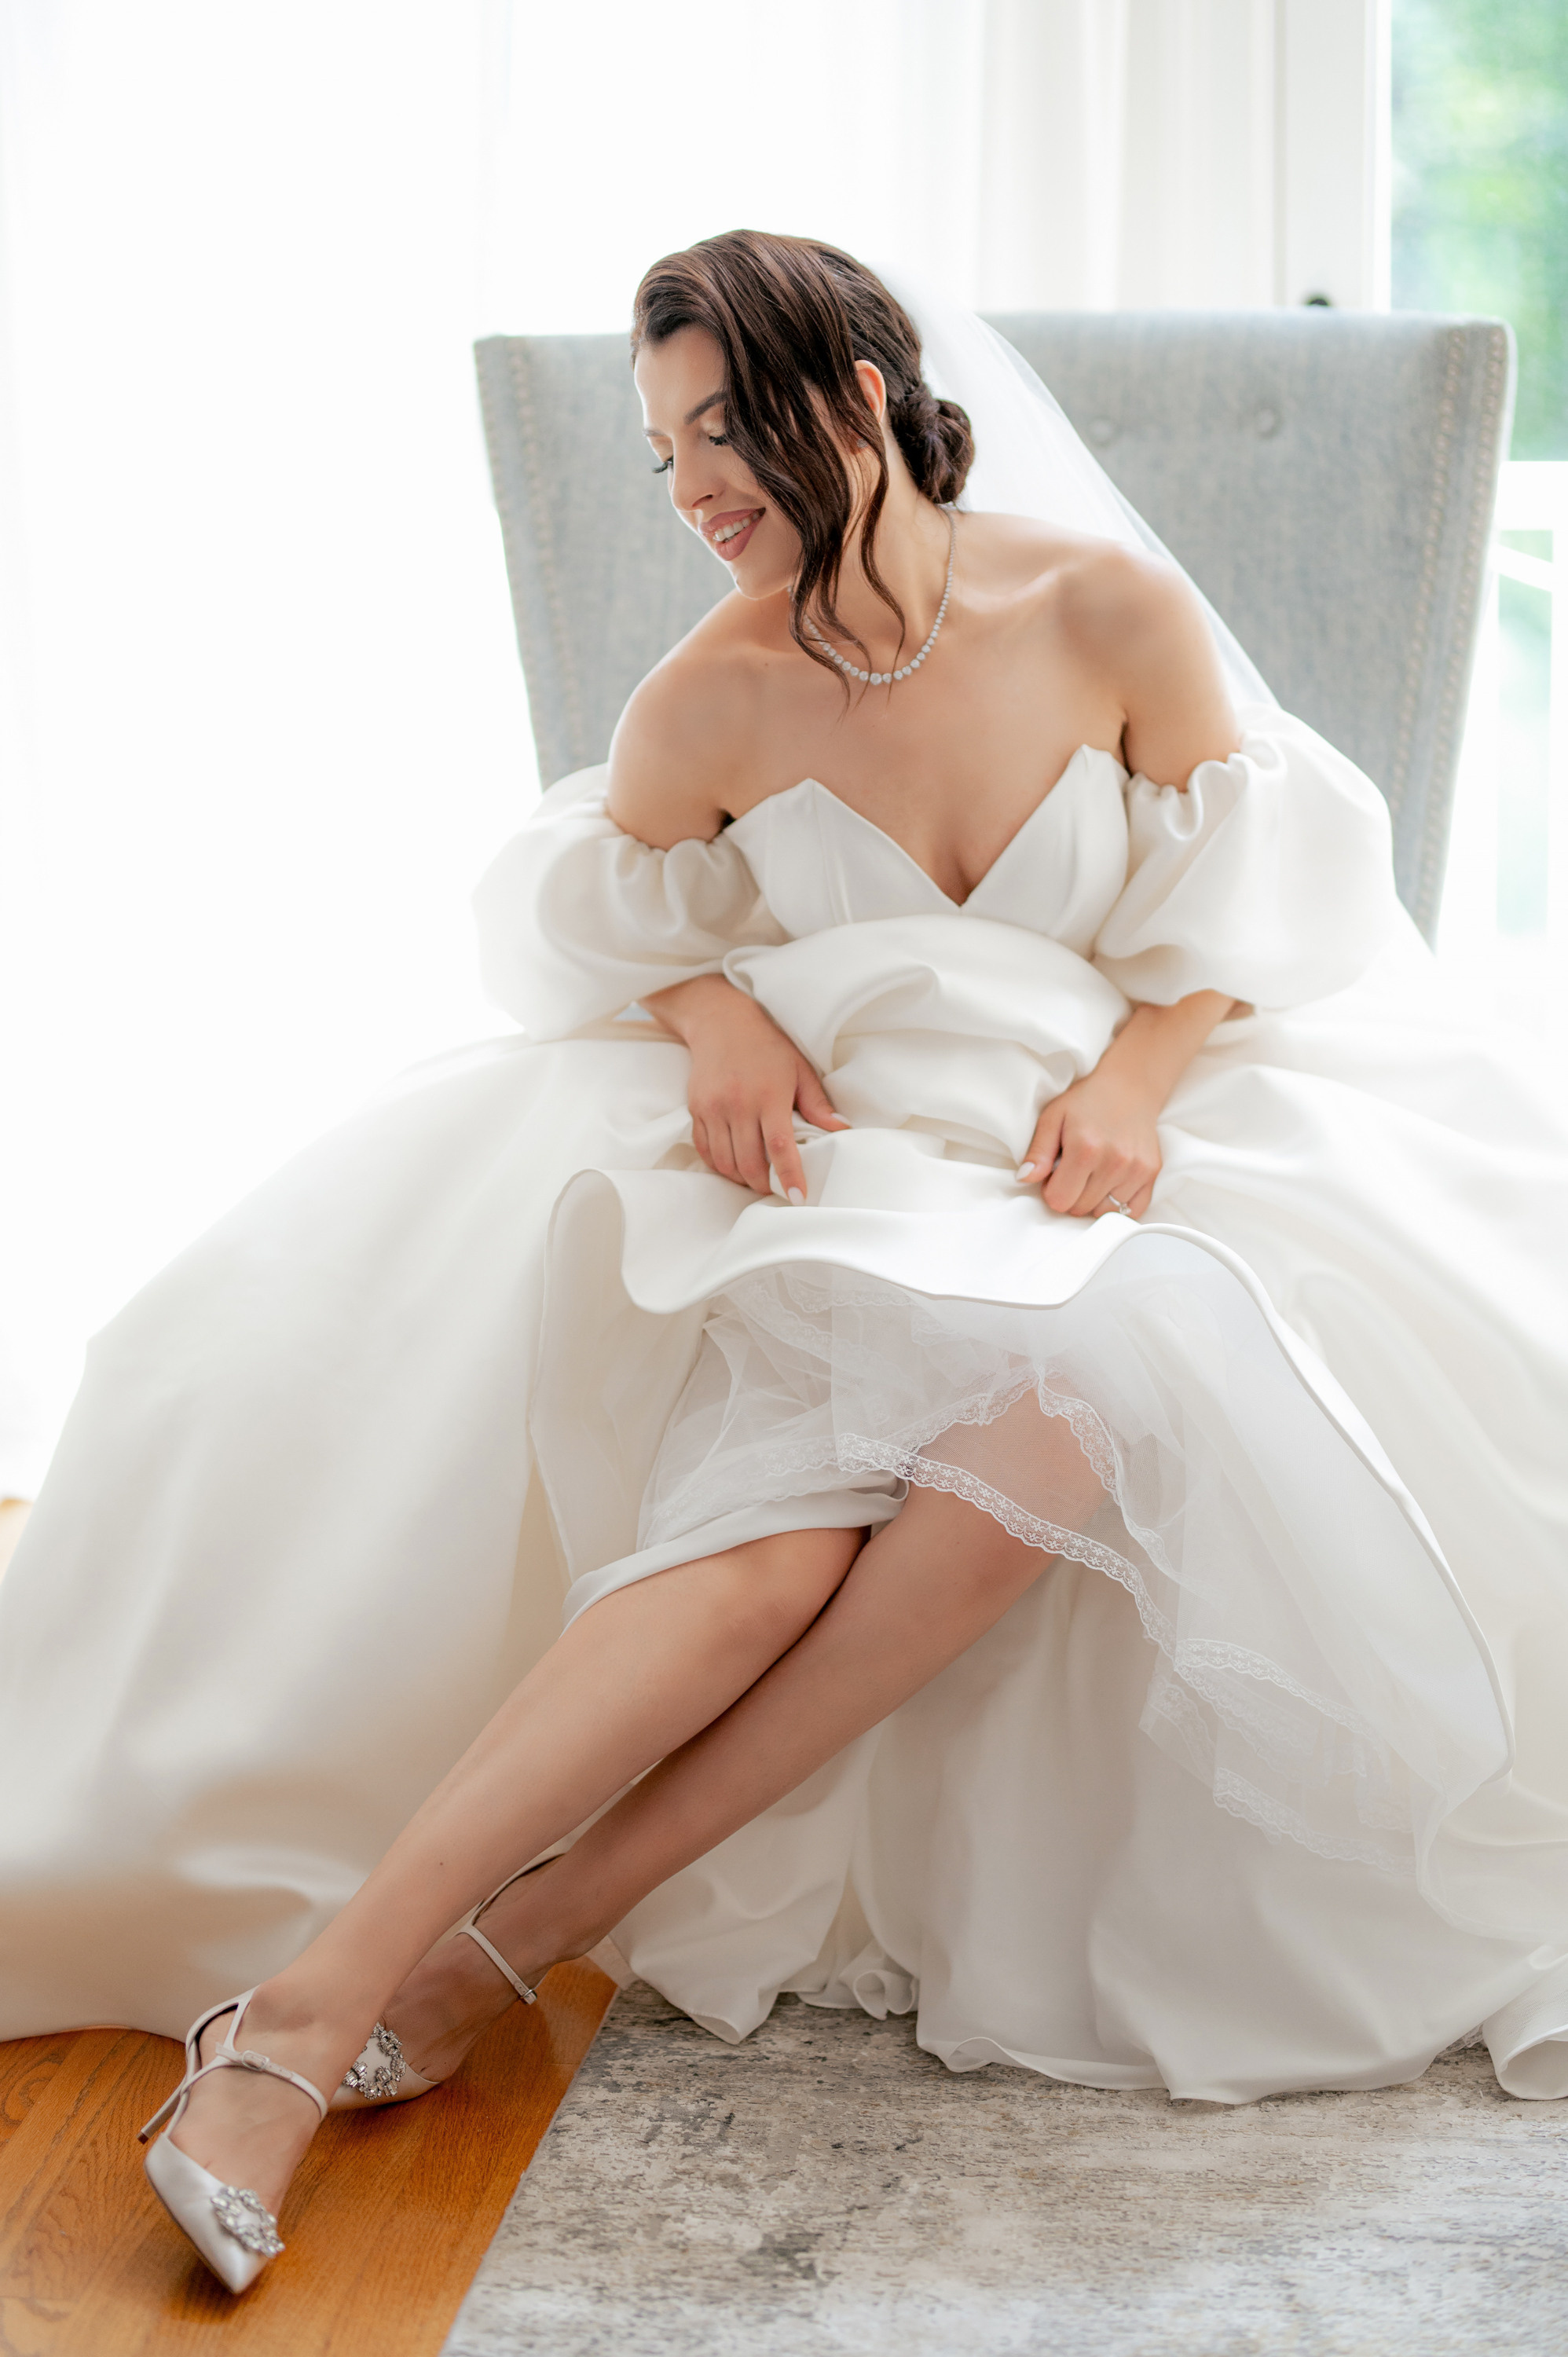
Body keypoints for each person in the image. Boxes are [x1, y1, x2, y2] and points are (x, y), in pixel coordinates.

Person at [1, 231, 1565, 2295]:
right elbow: (582, 919)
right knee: (758, 1556)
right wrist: (712, 1012)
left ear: (855, 395)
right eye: (659, 453)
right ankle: (306, 2012)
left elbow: (1262, 903)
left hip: (1099, 1151)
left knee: (1090, 1399)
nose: (690, 491)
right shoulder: (709, 694)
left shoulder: (1106, 609)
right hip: (863, 1163)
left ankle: (506, 1943)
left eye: (718, 430)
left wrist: (1137, 1075)